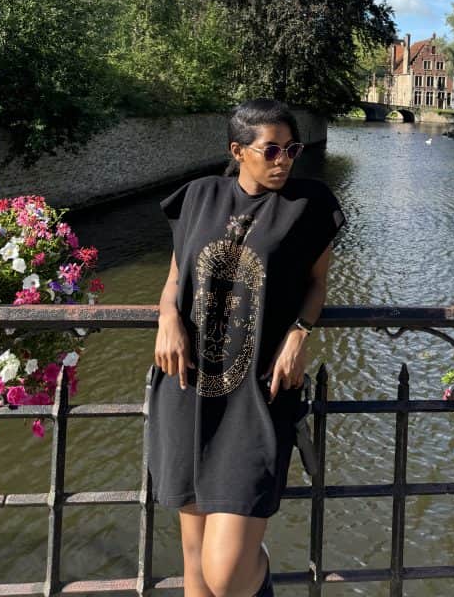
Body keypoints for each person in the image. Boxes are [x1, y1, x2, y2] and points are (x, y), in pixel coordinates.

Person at [147, 99, 346, 597]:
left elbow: (318, 284)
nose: (284, 160)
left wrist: (300, 332)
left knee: (227, 572)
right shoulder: (197, 197)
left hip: (257, 396)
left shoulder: (310, 205)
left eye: (291, 149)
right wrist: (168, 317)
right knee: (195, 568)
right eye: (271, 150)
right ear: (238, 151)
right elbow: (175, 280)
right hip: (189, 388)